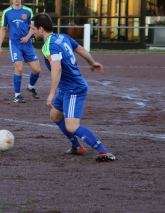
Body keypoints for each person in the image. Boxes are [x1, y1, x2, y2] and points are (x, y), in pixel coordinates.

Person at [30, 12, 115, 162]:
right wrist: (91, 62)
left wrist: (51, 94)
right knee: (55, 115)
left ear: (41, 29)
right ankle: (77, 147)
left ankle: (103, 151)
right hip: (67, 86)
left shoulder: (49, 46)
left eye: (33, 28)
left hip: (73, 88)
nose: (32, 31)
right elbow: (81, 49)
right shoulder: (62, 37)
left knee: (72, 126)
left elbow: (57, 68)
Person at [0, 0, 40, 103]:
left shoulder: (28, 11)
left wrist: (27, 37)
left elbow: (33, 27)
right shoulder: (6, 12)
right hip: (15, 43)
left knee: (37, 70)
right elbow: (2, 29)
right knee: (19, 69)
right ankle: (17, 95)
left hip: (28, 44)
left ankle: (30, 87)